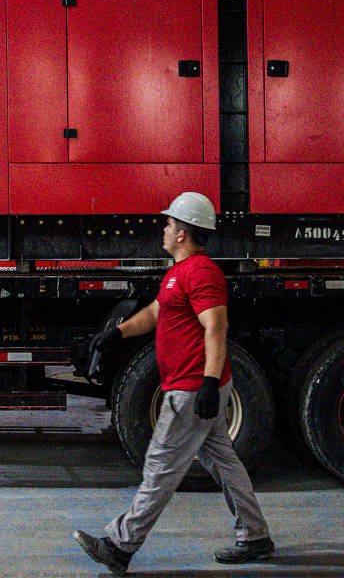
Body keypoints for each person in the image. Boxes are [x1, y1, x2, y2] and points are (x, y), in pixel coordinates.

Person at [73, 191, 273, 576]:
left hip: (191, 388)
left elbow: (216, 327)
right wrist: (115, 334)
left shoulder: (200, 273)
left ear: (182, 233)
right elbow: (155, 312)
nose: (163, 229)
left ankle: (119, 545)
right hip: (191, 385)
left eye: (168, 223)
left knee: (161, 467)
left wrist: (210, 383)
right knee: (225, 463)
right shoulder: (178, 274)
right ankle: (255, 535)